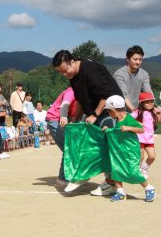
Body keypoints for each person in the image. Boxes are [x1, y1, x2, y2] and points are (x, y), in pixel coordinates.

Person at [52, 50, 123, 195]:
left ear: (72, 61)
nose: (65, 75)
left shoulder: (91, 70)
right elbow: (79, 99)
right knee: (86, 144)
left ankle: (112, 184)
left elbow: (106, 95)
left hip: (109, 112)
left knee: (107, 146)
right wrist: (75, 118)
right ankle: (83, 174)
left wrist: (95, 115)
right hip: (93, 112)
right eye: (61, 73)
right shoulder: (73, 75)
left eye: (66, 71)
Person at [102, 95, 156, 202]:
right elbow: (118, 132)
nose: (109, 114)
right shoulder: (118, 120)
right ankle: (120, 192)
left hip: (131, 151)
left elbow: (141, 130)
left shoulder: (128, 118)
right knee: (116, 169)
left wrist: (129, 128)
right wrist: (109, 129)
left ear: (113, 110)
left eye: (108, 111)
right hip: (120, 151)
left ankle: (149, 188)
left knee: (133, 171)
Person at [46, 87, 77, 187]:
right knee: (68, 149)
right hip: (55, 120)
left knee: (70, 148)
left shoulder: (80, 94)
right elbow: (65, 104)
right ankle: (62, 179)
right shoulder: (71, 91)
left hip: (61, 121)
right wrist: (63, 117)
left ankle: (68, 176)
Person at [113, 45, 152, 112]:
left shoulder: (144, 74)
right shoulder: (119, 74)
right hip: (120, 112)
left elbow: (148, 92)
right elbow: (123, 94)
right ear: (127, 59)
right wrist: (134, 110)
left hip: (137, 110)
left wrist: (154, 107)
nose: (138, 62)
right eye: (135, 59)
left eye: (140, 60)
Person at [131, 92, 158, 180]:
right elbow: (129, 119)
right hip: (139, 138)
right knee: (140, 157)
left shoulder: (154, 111)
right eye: (147, 102)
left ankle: (144, 168)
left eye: (151, 101)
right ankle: (136, 172)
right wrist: (137, 122)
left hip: (149, 139)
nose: (150, 103)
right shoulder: (137, 111)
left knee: (152, 156)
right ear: (141, 103)